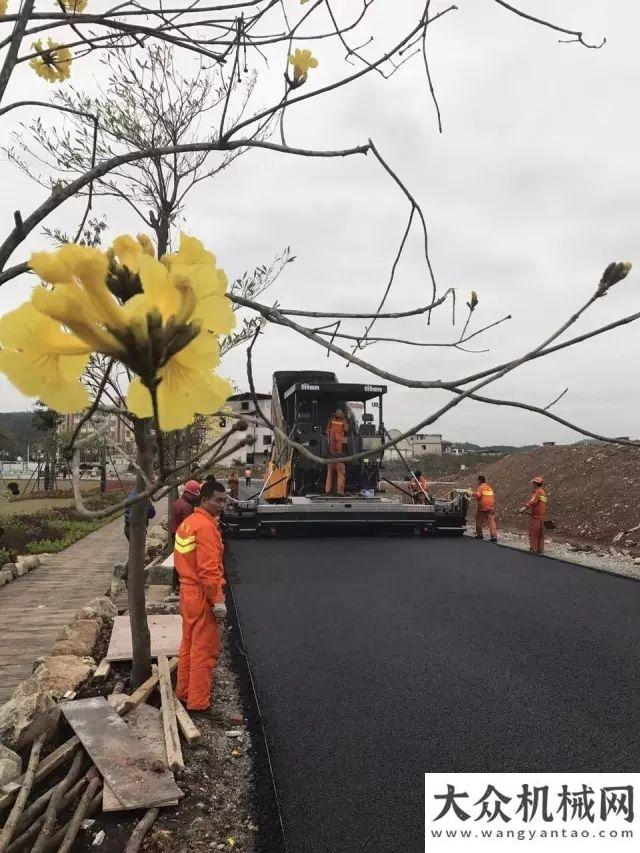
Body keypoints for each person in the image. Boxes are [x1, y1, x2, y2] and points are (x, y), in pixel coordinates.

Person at [174, 480, 228, 714]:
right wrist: (217, 600)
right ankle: (198, 703)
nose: (222, 505)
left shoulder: (189, 523)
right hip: (201, 595)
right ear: (204, 500)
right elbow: (208, 570)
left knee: (188, 644)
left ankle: (184, 692)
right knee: (204, 650)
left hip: (187, 592)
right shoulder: (205, 528)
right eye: (218, 500)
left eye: (224, 500)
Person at [520, 475, 548, 554]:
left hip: (536, 518)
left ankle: (533, 549)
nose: (533, 485)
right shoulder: (543, 493)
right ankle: (540, 550)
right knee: (540, 535)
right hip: (542, 517)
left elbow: (533, 502)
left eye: (533, 483)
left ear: (536, 484)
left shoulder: (538, 492)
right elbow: (543, 505)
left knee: (534, 534)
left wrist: (524, 508)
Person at [325, 408, 349, 496]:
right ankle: (340, 492)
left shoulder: (331, 420)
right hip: (340, 455)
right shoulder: (344, 421)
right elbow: (346, 431)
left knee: (330, 472)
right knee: (341, 472)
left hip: (331, 456)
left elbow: (327, 431)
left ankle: (327, 490)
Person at [474, 475, 498, 542]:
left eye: (478, 481)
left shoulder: (480, 487)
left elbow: (478, 496)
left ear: (479, 481)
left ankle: (480, 535)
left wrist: (472, 494)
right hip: (490, 507)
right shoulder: (489, 487)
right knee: (491, 522)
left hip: (482, 508)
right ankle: (494, 536)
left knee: (479, 521)